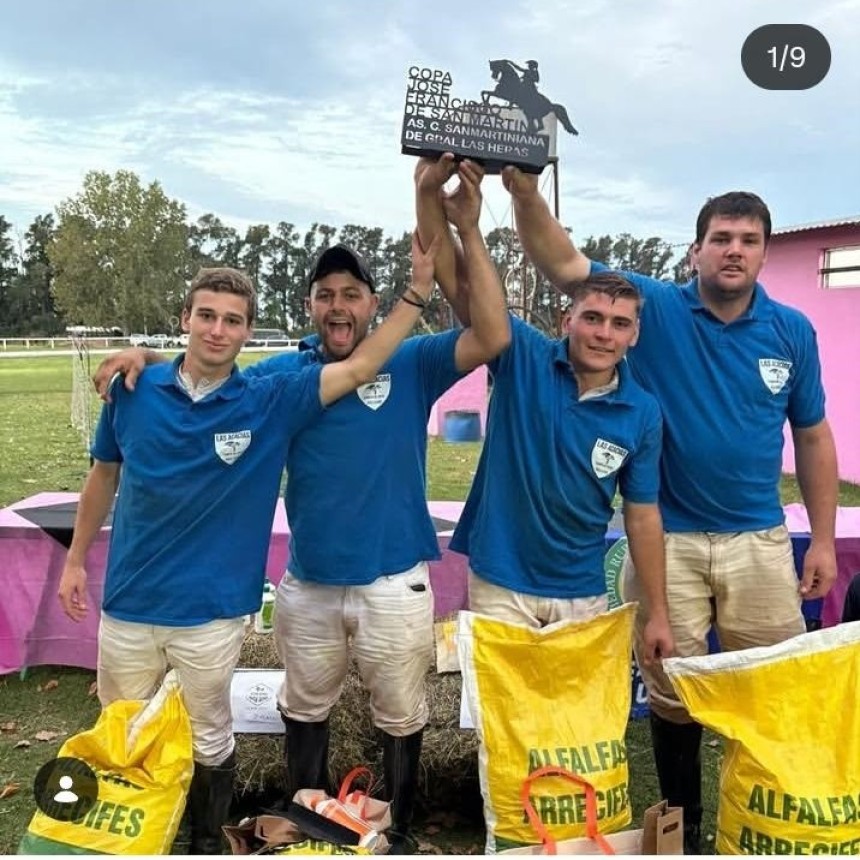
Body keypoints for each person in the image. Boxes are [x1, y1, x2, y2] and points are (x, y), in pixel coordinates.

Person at [91, 162, 510, 854]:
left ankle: (398, 829)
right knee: (305, 705)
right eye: (325, 295)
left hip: (394, 579)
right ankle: (308, 826)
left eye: (351, 294)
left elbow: (492, 336)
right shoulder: (285, 375)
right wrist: (144, 355)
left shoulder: (415, 360)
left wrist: (450, 218)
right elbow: (209, 371)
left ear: (373, 303)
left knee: (402, 711)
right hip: (310, 580)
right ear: (311, 306)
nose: (338, 306)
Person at [60, 249, 442, 854]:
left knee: (212, 736)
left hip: (215, 609)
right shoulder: (135, 391)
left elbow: (363, 364)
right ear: (184, 317)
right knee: (123, 729)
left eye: (232, 320)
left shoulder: (267, 396)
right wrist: (76, 559)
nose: (217, 329)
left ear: (247, 331)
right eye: (206, 315)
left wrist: (418, 291)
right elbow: (102, 474)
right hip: (129, 601)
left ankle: (213, 842)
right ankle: (129, 838)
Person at [502, 169, 838, 853]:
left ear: (765, 253)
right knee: (671, 692)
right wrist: (525, 192)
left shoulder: (792, 331)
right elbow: (564, 264)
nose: (734, 251)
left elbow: (812, 436)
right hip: (668, 541)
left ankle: (760, 823)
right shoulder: (650, 308)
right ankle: (683, 823)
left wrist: (824, 540)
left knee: (767, 687)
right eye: (721, 239)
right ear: (695, 252)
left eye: (748, 240)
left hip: (759, 541)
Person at [415, 154, 673, 656]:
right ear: (565, 321)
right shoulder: (524, 356)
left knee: (569, 732)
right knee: (503, 730)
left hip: (582, 592)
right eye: (593, 317)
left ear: (635, 334)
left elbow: (641, 516)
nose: (604, 333)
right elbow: (462, 286)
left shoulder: (642, 412)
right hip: (500, 583)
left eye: (620, 324)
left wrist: (658, 612)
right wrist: (457, 218)